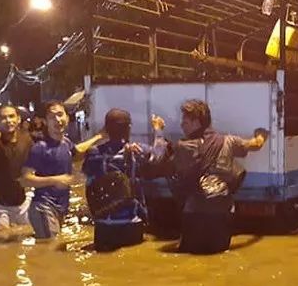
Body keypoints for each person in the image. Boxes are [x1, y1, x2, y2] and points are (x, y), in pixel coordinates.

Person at [143, 99, 268, 254]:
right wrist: (262, 134)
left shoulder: (183, 147)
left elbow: (159, 162)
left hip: (195, 211)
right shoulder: (229, 141)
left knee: (189, 256)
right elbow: (256, 145)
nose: (181, 125)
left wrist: (158, 131)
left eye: (185, 122)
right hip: (222, 210)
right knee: (220, 254)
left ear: (197, 122)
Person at [20, 101, 104, 240]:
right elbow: (25, 179)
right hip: (43, 207)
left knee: (50, 247)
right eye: (52, 117)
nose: (57, 120)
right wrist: (55, 180)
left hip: (60, 207)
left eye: (60, 115)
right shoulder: (40, 147)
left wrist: (98, 137)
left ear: (67, 118)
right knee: (50, 246)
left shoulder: (66, 142)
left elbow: (77, 151)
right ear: (45, 122)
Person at [82, 108, 148, 252]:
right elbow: (160, 155)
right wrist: (158, 130)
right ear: (128, 128)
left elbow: (86, 175)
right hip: (132, 223)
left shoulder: (93, 154)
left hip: (104, 225)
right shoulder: (138, 152)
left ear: (106, 129)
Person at [0, 105, 34, 230]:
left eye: (11, 116)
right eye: (3, 118)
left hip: (23, 200)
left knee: (30, 231)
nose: (8, 121)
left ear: (18, 119)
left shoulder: (27, 139)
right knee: (2, 234)